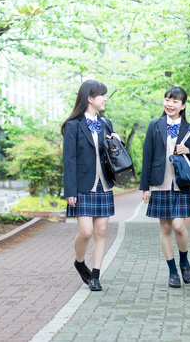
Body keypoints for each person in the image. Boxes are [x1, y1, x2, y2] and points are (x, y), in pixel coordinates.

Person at [140, 87, 190, 288]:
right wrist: (145, 188)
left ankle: (184, 262)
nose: (169, 104)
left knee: (179, 226)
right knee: (165, 228)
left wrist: (188, 150)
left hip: (181, 183)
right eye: (167, 99)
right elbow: (147, 157)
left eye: (175, 101)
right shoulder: (154, 125)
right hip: (159, 183)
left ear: (183, 106)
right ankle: (172, 272)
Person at [62, 80, 121, 291]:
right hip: (82, 186)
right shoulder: (73, 125)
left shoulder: (106, 123)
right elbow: (69, 160)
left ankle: (95, 275)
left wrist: (116, 142)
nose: (105, 98)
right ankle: (79, 262)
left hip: (103, 184)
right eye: (101, 95)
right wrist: (70, 191)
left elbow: (112, 154)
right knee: (86, 232)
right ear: (89, 98)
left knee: (101, 231)